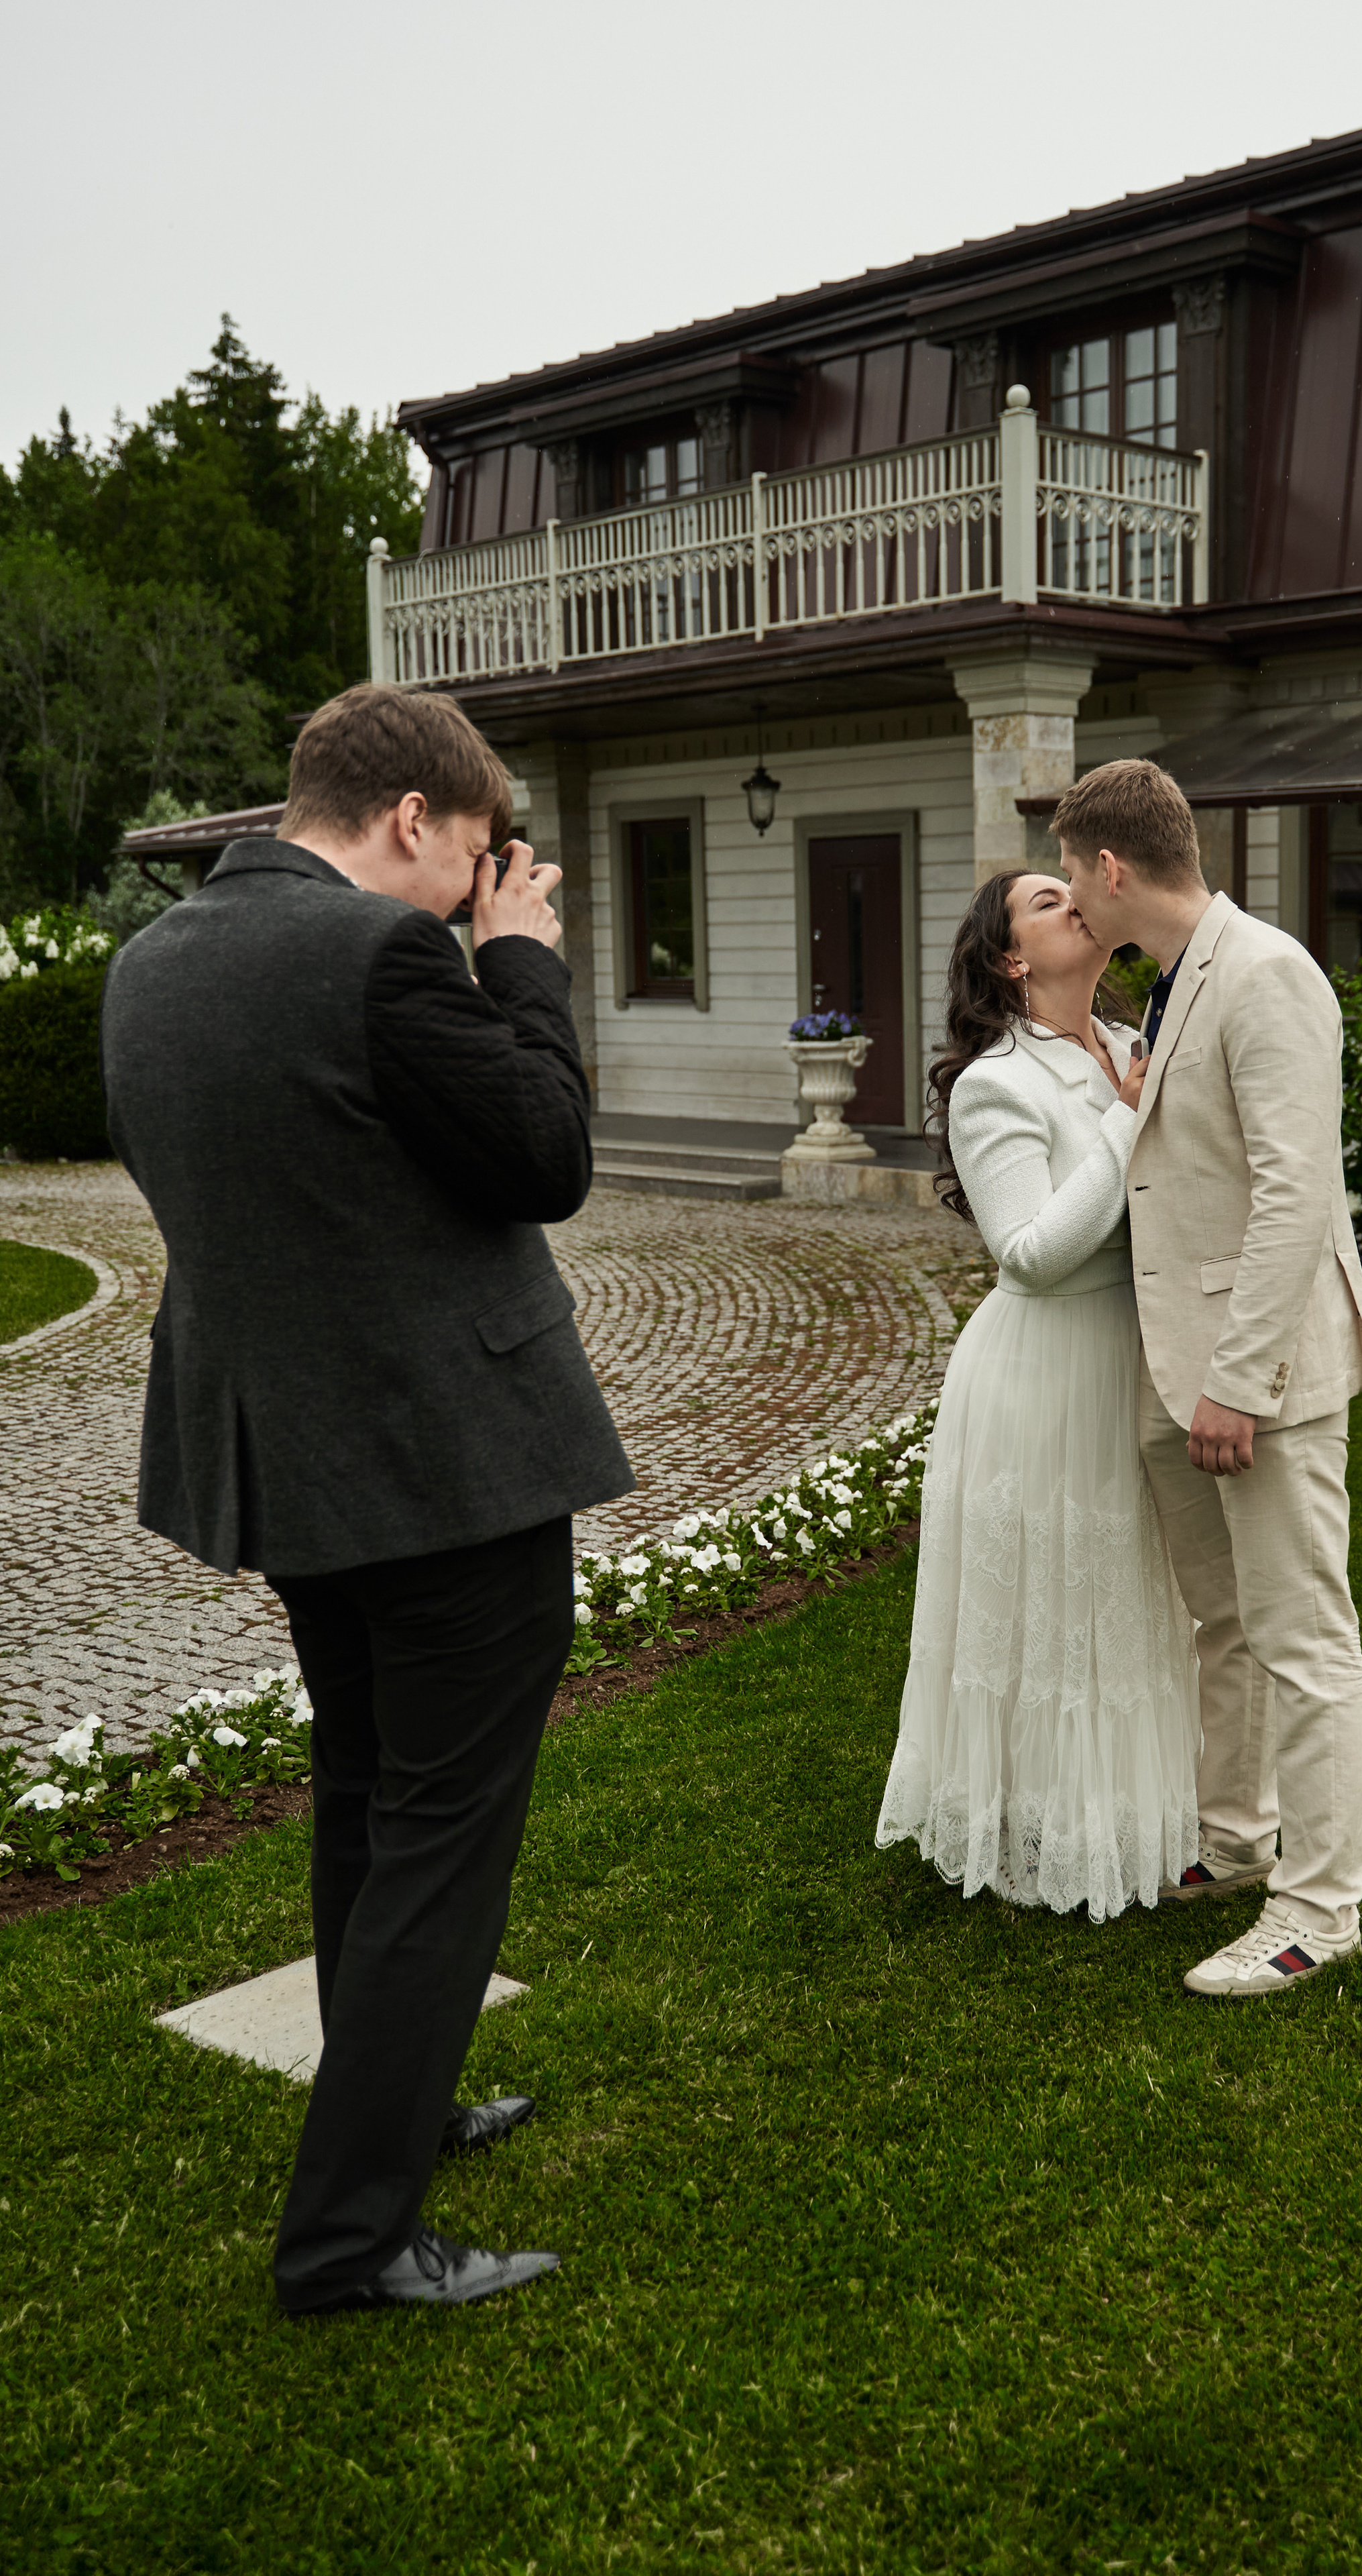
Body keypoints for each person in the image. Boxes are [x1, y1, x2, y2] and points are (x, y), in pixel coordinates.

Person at [101, 682, 634, 2312]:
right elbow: (543, 1153)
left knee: (364, 1795)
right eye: (473, 856)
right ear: (414, 821)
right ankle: (349, 2239)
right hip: (442, 1461)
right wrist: (522, 963)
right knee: (440, 1838)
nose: (478, 886)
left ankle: (393, 2105)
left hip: (292, 1457)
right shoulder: (382, 954)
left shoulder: (156, 960)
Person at [1052, 759, 1362, 1998]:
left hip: (1263, 1369)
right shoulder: (1174, 982)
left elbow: (1300, 1193)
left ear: (1112, 868)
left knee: (1303, 1634)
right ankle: (1240, 1839)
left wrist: (1238, 1380)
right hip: (1174, 1362)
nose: (1072, 906)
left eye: (1073, 876)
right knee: (1222, 1620)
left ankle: (1319, 1906)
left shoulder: (1269, 974)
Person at [875, 871, 1201, 1918]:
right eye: (1048, 901)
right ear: (1012, 959)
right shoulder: (995, 1083)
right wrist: (1124, 1124)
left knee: (1136, 1595)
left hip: (1140, 1353)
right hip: (1046, 1365)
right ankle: (1033, 1830)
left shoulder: (1135, 1044)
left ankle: (1146, 1816)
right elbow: (1028, 1254)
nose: (1076, 902)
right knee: (1050, 1598)